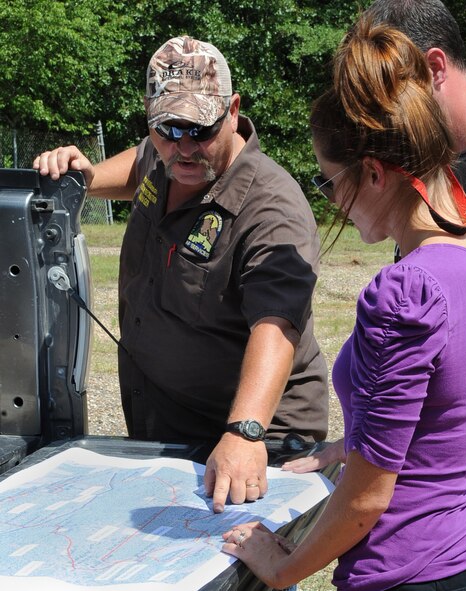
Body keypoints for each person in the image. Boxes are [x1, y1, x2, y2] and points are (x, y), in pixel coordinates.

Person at [222, 16, 466, 591]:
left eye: (331, 183)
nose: (333, 203)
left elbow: (367, 499)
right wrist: (349, 444)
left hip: (411, 573)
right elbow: (440, 421)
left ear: (375, 173)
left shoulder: (405, 293)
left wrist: (280, 567)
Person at [33, 35, 329, 514]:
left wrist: (245, 430)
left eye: (201, 130)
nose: (184, 147)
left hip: (253, 436)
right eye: (168, 128)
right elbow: (139, 166)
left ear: (233, 110)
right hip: (168, 423)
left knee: (242, 572)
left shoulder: (272, 208)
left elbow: (277, 324)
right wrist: (86, 177)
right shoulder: (165, 154)